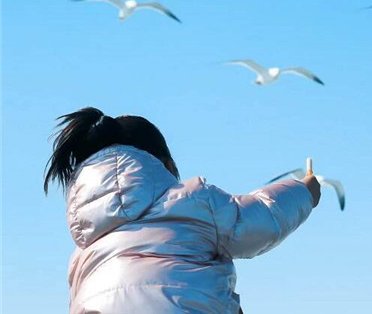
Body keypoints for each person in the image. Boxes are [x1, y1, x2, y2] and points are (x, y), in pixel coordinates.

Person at [44, 107, 321, 314]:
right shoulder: (192, 202)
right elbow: (260, 220)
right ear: (162, 165)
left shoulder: (84, 252)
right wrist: (304, 191)